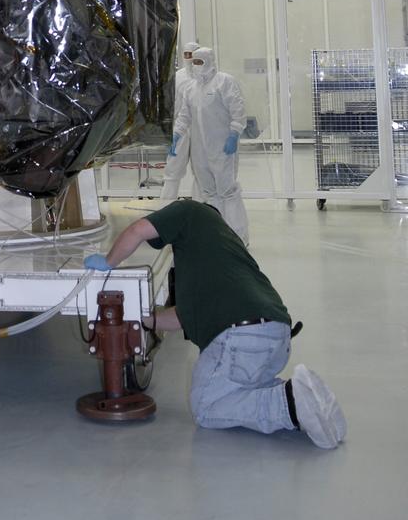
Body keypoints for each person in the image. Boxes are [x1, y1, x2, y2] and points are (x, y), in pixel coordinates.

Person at [84, 199, 346, 450]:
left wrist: (108, 263)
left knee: (207, 408)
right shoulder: (223, 253)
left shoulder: (189, 210)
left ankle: (287, 404)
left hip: (241, 337)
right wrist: (144, 318)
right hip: (276, 337)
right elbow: (183, 316)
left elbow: (138, 229)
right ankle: (307, 399)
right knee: (243, 388)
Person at [170, 46, 249, 244]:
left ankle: (239, 237)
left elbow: (238, 110)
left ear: (209, 61)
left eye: (200, 61)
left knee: (228, 192)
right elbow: (184, 116)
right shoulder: (191, 88)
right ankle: (218, 234)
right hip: (200, 150)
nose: (196, 65)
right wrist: (176, 136)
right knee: (209, 193)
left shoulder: (224, 82)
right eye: (194, 62)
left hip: (222, 147)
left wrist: (234, 134)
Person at [161, 39, 200, 202]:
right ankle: (166, 205)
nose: (189, 58)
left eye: (192, 54)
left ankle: (200, 206)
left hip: (201, 128)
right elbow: (172, 103)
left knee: (202, 170)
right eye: (186, 54)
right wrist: (171, 130)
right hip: (180, 127)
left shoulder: (206, 76)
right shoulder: (178, 77)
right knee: (173, 168)